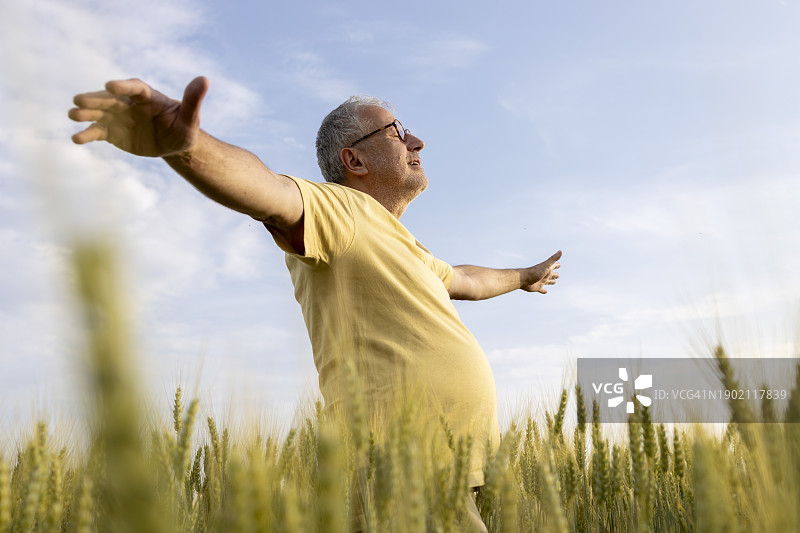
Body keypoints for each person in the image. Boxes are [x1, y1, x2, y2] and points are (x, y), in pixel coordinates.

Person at [69, 76, 562, 532]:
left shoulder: (402, 244)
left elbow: (465, 280)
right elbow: (266, 190)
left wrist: (524, 276)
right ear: (355, 161)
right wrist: (190, 147)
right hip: (405, 470)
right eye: (398, 132)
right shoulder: (339, 210)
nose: (418, 142)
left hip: (441, 474)